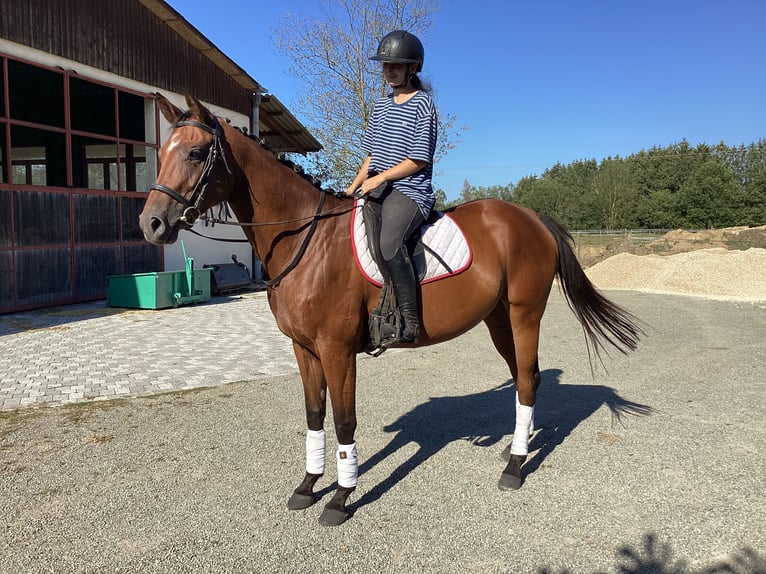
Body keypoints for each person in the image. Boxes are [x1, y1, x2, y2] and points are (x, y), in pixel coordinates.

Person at [344, 30, 438, 345]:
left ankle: (410, 322)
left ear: (413, 68)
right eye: (385, 65)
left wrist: (382, 178)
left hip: (411, 190)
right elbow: (371, 155)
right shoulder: (381, 105)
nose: (389, 71)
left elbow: (419, 159)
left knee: (388, 243)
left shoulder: (424, 104)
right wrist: (352, 187)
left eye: (396, 65)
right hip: (378, 188)